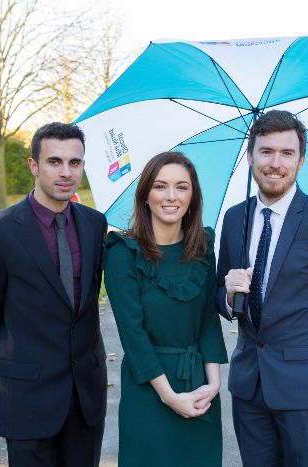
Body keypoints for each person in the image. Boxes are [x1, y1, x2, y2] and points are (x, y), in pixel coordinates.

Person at [216, 110, 308, 467]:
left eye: (286, 154)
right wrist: (225, 294)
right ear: (250, 156)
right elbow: (219, 287)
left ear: (300, 161)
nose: (275, 163)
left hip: (306, 388)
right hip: (249, 384)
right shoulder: (235, 217)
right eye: (266, 151)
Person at [0, 122, 108, 467]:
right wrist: (14, 369)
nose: (65, 172)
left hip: (86, 391)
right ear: (34, 166)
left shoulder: (95, 224)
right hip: (25, 394)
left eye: (75, 163)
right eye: (54, 161)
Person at [104, 152, 228, 467]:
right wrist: (169, 396)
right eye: (160, 186)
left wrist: (213, 384)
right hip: (149, 391)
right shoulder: (122, 253)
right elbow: (133, 335)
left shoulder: (203, 248)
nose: (171, 196)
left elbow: (208, 323)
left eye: (181, 187)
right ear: (146, 195)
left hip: (199, 389)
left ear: (192, 197)